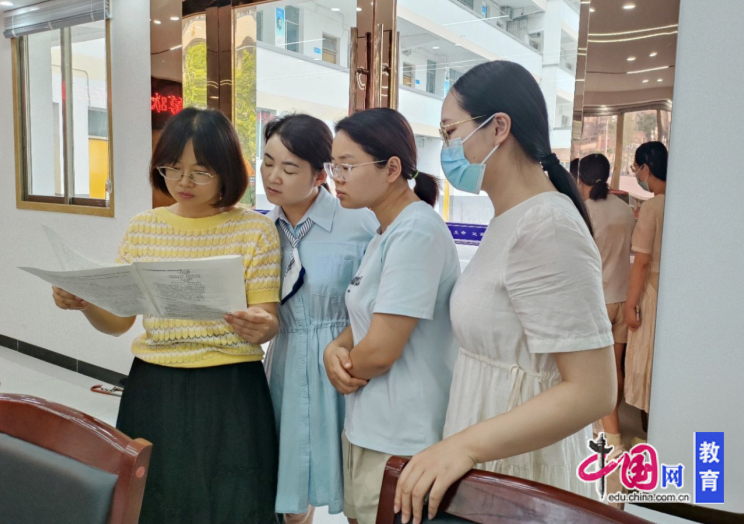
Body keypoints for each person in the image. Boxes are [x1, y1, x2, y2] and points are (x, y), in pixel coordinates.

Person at [394, 61, 617, 524]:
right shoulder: (509, 218)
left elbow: (594, 390)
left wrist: (466, 445)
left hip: (521, 467)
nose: (447, 147)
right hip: (489, 449)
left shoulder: (547, 224)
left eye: (450, 131)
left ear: (499, 127)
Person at [52, 108, 282, 524]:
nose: (183, 182)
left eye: (200, 172)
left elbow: (266, 318)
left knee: (232, 500)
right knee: (154, 501)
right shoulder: (144, 228)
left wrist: (260, 325)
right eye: (172, 168)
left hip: (229, 388)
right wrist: (87, 303)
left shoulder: (255, 231)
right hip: (154, 385)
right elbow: (119, 322)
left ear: (228, 171)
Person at [322, 108, 460, 524]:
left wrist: (342, 367)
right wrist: (334, 349)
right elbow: (366, 316)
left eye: (347, 166)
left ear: (392, 169)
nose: (336, 177)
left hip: (401, 438)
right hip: (369, 426)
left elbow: (381, 351)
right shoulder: (385, 231)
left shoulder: (416, 232)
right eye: (334, 166)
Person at [261, 114, 378, 524]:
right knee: (290, 491)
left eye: (289, 168)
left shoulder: (359, 222)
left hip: (344, 365)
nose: (273, 176)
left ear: (319, 174)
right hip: (285, 362)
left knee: (357, 490)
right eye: (267, 162)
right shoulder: (262, 231)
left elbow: (376, 304)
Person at [577, 153, 636, 455]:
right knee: (615, 365)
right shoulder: (625, 210)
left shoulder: (584, 212)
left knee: (594, 369)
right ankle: (609, 424)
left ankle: (608, 433)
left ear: (580, 179)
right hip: (622, 297)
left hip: (596, 300)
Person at [625, 142, 668, 426]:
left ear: (646, 168)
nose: (636, 174)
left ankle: (650, 423)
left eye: (635, 168)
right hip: (672, 290)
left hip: (651, 291)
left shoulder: (652, 207)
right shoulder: (683, 202)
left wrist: (630, 306)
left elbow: (641, 262)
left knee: (647, 355)